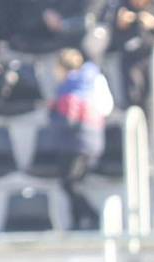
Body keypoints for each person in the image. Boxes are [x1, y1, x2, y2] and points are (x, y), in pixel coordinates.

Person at [46, 47, 113, 231]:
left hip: (77, 143)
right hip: (88, 141)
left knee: (69, 182)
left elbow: (68, 120)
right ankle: (77, 222)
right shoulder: (87, 82)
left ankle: (91, 215)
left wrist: (52, 110)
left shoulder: (71, 88)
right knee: (72, 183)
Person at [111, 0, 154, 119]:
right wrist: (120, 26)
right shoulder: (123, 8)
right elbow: (112, 44)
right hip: (131, 69)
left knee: (152, 104)